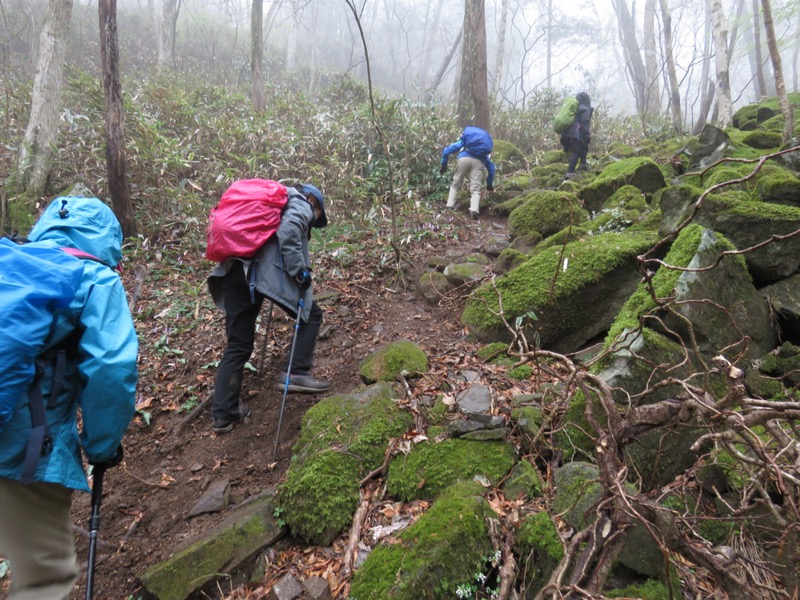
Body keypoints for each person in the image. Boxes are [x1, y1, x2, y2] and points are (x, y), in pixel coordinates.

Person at [0, 196, 138, 599]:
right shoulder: (94, 277)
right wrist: (102, 447)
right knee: (46, 577)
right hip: (21, 445)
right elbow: (111, 367)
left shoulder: (11, 263)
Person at [208, 183, 331, 434]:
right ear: (312, 200)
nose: (314, 217)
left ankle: (224, 413)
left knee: (238, 344)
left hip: (232, 272)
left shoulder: (270, 205)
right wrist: (299, 272)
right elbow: (287, 232)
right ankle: (296, 372)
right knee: (311, 315)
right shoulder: (299, 201)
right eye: (317, 211)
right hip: (259, 274)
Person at [440, 126, 496, 220]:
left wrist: (443, 165)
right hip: (478, 162)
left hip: (463, 159)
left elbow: (447, 151)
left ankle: (449, 205)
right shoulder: (482, 152)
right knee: (475, 189)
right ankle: (474, 210)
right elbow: (491, 168)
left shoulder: (464, 143)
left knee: (455, 184)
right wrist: (489, 184)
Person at [563, 92, 593, 179]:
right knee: (576, 152)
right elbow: (585, 122)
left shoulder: (575, 108)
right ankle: (570, 172)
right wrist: (586, 134)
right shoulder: (585, 109)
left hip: (569, 134)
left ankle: (583, 165)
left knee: (582, 147)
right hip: (577, 133)